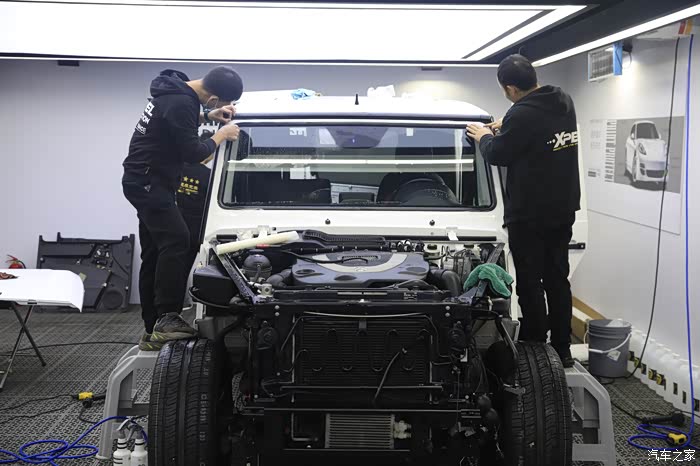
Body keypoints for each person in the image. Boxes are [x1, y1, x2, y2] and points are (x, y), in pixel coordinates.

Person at [466, 54, 580, 367]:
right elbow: (535, 127)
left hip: (530, 214)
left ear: (511, 89)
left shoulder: (522, 115)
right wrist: (507, 124)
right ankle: (562, 349)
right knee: (557, 279)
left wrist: (485, 136)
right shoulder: (562, 100)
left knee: (530, 281)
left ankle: (534, 345)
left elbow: (497, 154)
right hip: (562, 208)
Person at [122, 67, 243, 351]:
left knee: (155, 251)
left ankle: (153, 327)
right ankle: (168, 318)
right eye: (219, 104)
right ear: (213, 98)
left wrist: (207, 117)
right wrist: (222, 134)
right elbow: (193, 153)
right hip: (150, 183)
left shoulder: (174, 92)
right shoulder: (181, 101)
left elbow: (174, 125)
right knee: (178, 240)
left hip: (144, 181)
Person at [178, 139, 213, 310]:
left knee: (173, 267)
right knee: (188, 268)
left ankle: (173, 305)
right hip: (196, 228)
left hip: (175, 224)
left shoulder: (178, 169)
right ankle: (184, 303)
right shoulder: (208, 175)